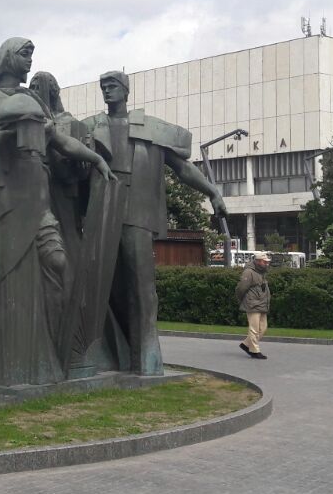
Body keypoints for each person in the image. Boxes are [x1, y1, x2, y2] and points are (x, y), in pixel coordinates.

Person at [0, 38, 112, 386]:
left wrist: (94, 158)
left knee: (57, 262)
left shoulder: (34, 100)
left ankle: (49, 348)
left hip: (38, 195)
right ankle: (8, 357)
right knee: (10, 275)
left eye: (31, 55)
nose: (30, 61)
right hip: (4, 198)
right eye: (24, 54)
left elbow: (58, 140)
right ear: (6, 57)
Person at [75, 71, 228, 376]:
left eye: (113, 86)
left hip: (136, 212)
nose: (107, 91)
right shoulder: (92, 127)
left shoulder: (150, 130)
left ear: (126, 91)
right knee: (100, 286)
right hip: (102, 210)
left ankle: (146, 359)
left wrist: (213, 191)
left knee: (142, 286)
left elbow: (182, 168)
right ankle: (107, 354)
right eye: (103, 87)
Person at [237, 252, 272, 359]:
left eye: (267, 262)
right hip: (252, 304)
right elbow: (241, 288)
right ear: (257, 261)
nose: (266, 264)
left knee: (263, 328)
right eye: (264, 261)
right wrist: (242, 300)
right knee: (254, 329)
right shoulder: (249, 272)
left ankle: (246, 344)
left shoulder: (261, 272)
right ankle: (254, 350)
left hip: (261, 304)